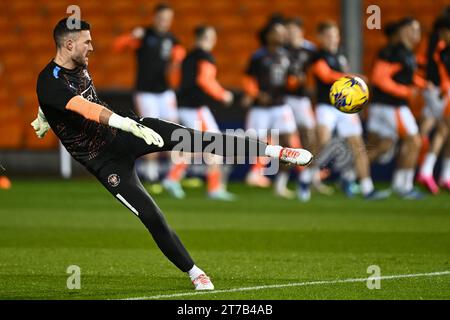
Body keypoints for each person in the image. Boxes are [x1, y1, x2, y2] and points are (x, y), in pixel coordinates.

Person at [32, 18, 312, 291]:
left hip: (130, 133)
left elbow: (62, 99)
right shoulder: (48, 82)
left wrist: (45, 114)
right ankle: (195, 272)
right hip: (104, 161)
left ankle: (277, 151)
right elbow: (83, 107)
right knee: (150, 215)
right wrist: (121, 121)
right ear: (68, 44)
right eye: (86, 42)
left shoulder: (74, 68)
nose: (92, 47)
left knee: (202, 140)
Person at [310, 21, 387, 200]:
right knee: (322, 142)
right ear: (320, 38)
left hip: (345, 107)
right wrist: (351, 77)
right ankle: (307, 177)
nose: (332, 39)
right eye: (328, 36)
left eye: (335, 35)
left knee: (358, 146)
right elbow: (326, 75)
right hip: (325, 105)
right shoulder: (317, 56)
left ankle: (367, 188)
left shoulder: (341, 54)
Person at [113, 3, 185, 184]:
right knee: (151, 130)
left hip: (165, 92)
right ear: (154, 18)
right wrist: (131, 36)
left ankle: (173, 175)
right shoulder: (144, 35)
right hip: (146, 92)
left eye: (168, 19)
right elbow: (117, 46)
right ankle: (151, 174)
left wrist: (177, 63)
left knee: (174, 130)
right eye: (161, 18)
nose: (164, 22)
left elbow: (179, 59)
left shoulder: (173, 40)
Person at [162, 25, 235, 201]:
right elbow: (205, 80)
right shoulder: (205, 57)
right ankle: (210, 187)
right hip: (195, 108)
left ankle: (178, 179)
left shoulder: (188, 56)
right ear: (209, 38)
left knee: (200, 145)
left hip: (187, 106)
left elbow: (175, 79)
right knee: (213, 144)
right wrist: (223, 94)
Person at [368, 17, 427, 199]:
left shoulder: (407, 53)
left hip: (388, 105)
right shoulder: (392, 52)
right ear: (402, 31)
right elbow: (378, 77)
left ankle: (349, 175)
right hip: (391, 106)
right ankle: (404, 185)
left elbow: (405, 76)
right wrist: (406, 92)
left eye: (418, 30)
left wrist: (424, 84)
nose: (416, 34)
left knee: (382, 146)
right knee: (414, 141)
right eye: (412, 29)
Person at [242, 22, 300, 199]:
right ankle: (248, 174)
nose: (282, 36)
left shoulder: (287, 55)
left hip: (280, 106)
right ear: (268, 35)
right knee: (253, 145)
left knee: (289, 143)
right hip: (261, 108)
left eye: (283, 33)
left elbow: (292, 80)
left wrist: (296, 81)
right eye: (278, 32)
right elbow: (247, 79)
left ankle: (281, 183)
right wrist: (256, 94)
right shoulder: (258, 56)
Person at [284, 17, 320, 201]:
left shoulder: (311, 50)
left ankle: (309, 177)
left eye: (292, 31)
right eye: (287, 31)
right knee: (287, 140)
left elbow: (318, 73)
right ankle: (282, 181)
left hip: (302, 100)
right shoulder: (282, 49)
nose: (289, 35)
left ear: (300, 31)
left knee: (310, 137)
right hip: (283, 99)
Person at [417, 11, 450, 194]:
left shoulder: (441, 47)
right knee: (444, 128)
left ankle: (445, 175)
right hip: (438, 91)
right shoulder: (440, 47)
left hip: (441, 90)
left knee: (442, 129)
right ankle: (426, 171)